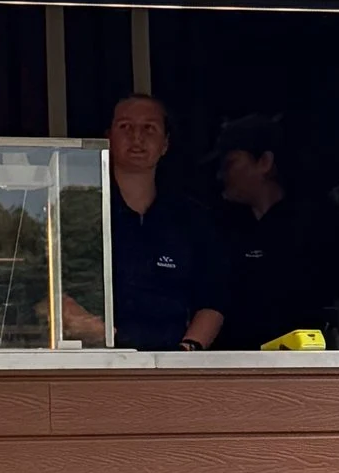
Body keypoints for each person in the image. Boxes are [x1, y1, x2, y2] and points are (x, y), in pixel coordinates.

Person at [64, 92, 227, 350]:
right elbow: (48, 288)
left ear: (165, 144)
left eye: (149, 128)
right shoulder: (77, 210)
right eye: (125, 127)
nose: (137, 138)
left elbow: (213, 299)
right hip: (94, 361)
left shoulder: (191, 218)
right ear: (108, 138)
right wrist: (100, 333)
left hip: (174, 367)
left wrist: (188, 351)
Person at [210, 111, 339, 349]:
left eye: (230, 163)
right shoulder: (219, 225)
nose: (221, 175)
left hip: (307, 359)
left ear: (265, 162)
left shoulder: (316, 223)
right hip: (232, 361)